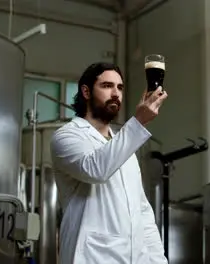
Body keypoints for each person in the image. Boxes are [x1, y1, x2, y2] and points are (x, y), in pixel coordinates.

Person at [50, 62, 168, 264]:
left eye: (120, 88)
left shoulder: (125, 148)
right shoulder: (66, 136)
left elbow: (142, 212)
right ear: (86, 92)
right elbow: (96, 170)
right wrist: (138, 122)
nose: (116, 93)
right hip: (91, 257)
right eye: (107, 86)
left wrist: (158, 261)